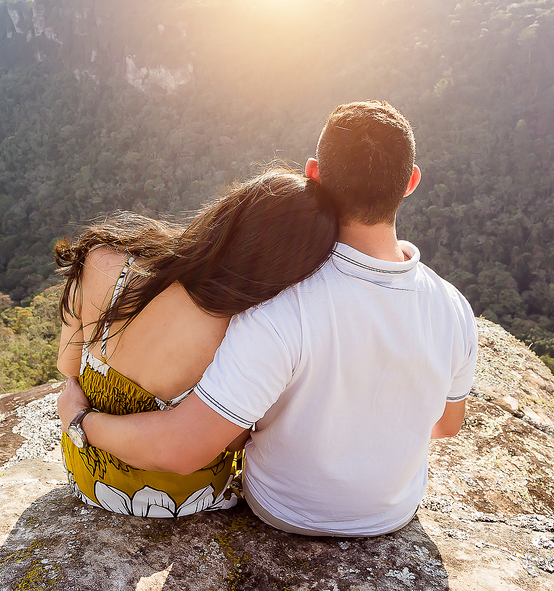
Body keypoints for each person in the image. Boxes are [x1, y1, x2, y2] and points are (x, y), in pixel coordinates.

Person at [58, 100, 478, 537]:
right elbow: (446, 425)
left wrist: (81, 421)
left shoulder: (279, 303)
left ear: (313, 174)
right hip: (392, 513)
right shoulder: (453, 306)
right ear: (411, 182)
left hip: (281, 508)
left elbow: (185, 445)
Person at [54, 167, 338, 517]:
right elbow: (232, 439)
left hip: (84, 478)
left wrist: (79, 416)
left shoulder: (101, 258)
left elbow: (68, 368)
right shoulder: (246, 330)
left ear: (230, 213)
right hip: (184, 500)